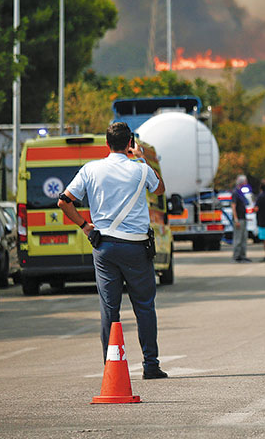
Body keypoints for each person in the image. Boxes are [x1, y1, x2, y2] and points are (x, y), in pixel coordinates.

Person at [58, 122, 168, 380]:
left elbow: (64, 201)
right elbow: (160, 189)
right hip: (136, 247)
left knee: (110, 308)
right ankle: (150, 365)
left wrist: (85, 226)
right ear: (130, 142)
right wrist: (141, 159)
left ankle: (111, 367)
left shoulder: (90, 169)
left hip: (104, 246)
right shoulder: (140, 170)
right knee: (144, 306)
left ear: (106, 144)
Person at [231, 175, 251, 263]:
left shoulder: (240, 192)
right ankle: (236, 256)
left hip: (243, 218)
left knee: (243, 237)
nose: (246, 183)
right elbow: (233, 206)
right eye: (245, 181)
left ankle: (243, 255)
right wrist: (236, 219)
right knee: (238, 238)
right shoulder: (235, 193)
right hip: (238, 219)